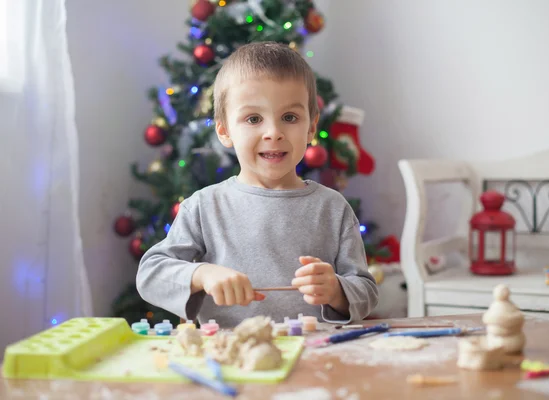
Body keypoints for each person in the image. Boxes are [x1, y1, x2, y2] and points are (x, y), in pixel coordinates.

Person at [136, 42, 378, 327]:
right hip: (230, 358)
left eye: (289, 117)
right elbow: (150, 276)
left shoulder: (332, 207)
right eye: (253, 119)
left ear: (311, 128)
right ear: (225, 131)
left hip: (314, 355)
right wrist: (202, 274)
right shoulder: (202, 207)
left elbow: (367, 291)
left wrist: (337, 291)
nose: (273, 133)